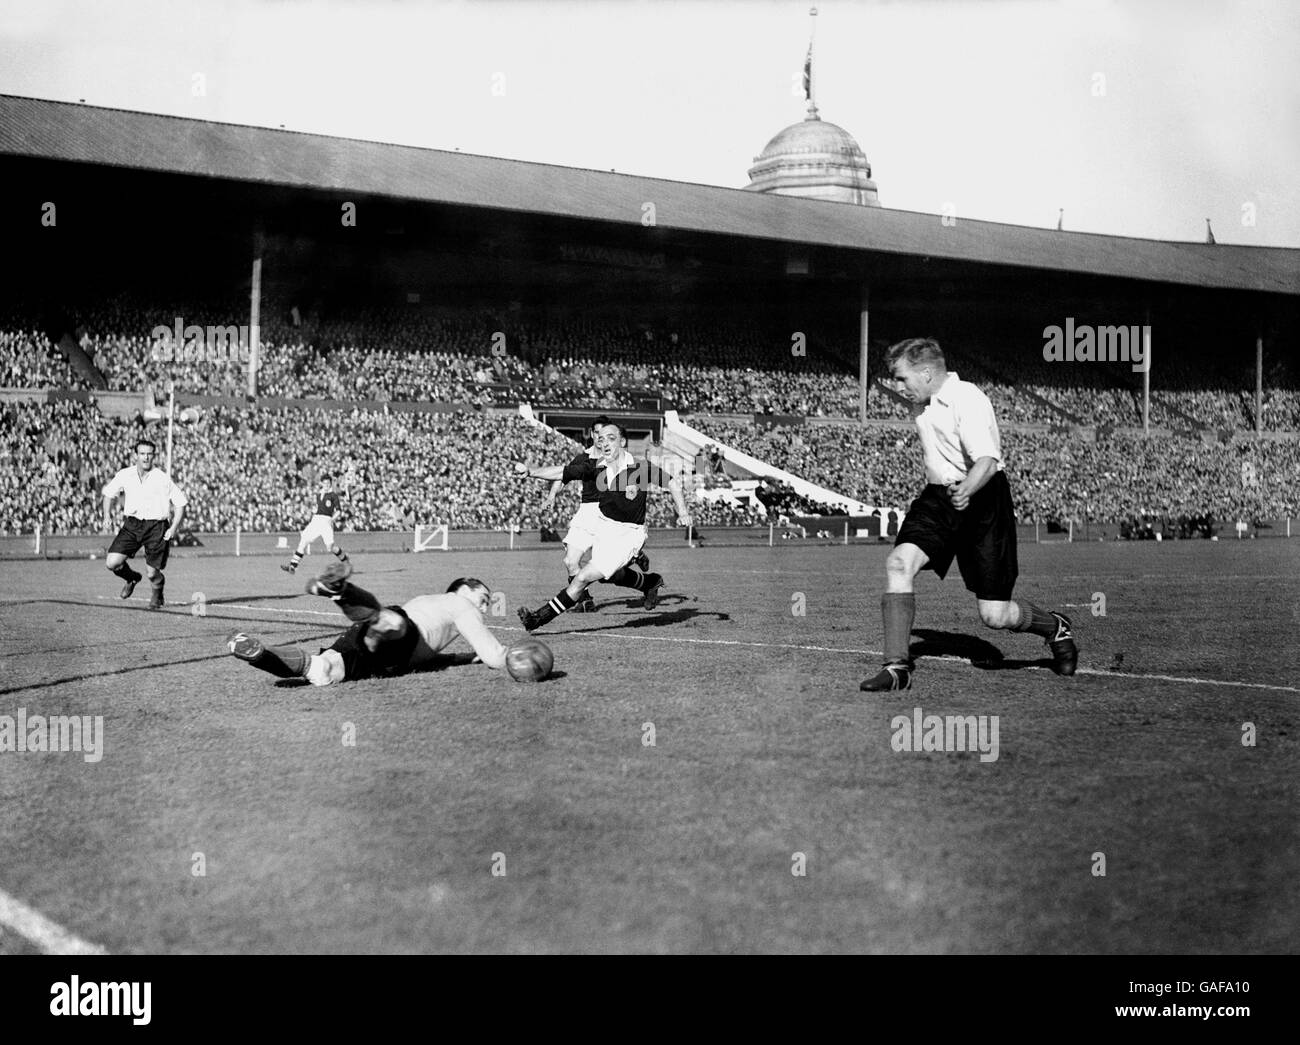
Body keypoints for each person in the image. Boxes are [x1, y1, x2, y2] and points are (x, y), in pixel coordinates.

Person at [860, 338, 1078, 691]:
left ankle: (1054, 627)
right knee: (899, 564)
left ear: (927, 372)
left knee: (995, 615)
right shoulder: (923, 404)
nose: (897, 387)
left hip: (983, 498)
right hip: (939, 499)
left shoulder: (969, 399)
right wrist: (950, 491)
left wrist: (966, 490)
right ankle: (897, 668)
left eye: (902, 379)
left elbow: (988, 461)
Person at [517, 421, 691, 632]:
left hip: (629, 534)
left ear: (623, 442)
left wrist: (682, 512)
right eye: (601, 439)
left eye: (611, 438)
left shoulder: (640, 467)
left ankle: (537, 619)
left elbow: (671, 482)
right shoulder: (597, 468)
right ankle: (649, 582)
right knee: (611, 577)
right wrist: (531, 472)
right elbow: (563, 472)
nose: (604, 442)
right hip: (604, 527)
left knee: (583, 577)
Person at [227, 563, 507, 685]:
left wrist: (461, 658)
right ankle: (341, 592)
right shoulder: (463, 605)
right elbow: (495, 656)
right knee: (392, 624)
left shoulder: (429, 601)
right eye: (485, 597)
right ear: (466, 588)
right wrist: (515, 656)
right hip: (400, 635)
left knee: (321, 670)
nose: (485, 607)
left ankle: (259, 654)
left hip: (376, 640)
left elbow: (426, 654)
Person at [515, 415, 649, 613]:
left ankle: (640, 570)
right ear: (592, 435)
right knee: (570, 561)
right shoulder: (584, 459)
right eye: (597, 433)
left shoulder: (619, 460)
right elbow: (563, 474)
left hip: (611, 517)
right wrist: (551, 496)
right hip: (587, 512)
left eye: (606, 435)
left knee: (607, 574)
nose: (600, 438)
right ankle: (585, 599)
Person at [101, 438, 188, 610]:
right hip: (132, 525)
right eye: (142, 454)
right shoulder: (125, 474)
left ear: (154, 456)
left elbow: (180, 503)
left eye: (149, 454)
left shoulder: (162, 478)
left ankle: (157, 592)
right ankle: (131, 578)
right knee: (112, 562)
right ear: (136, 455)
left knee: (152, 573)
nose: (146, 458)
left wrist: (173, 528)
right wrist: (106, 516)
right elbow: (108, 494)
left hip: (156, 527)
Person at [282, 474, 350, 573]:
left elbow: (339, 511)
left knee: (330, 547)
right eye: (325, 483)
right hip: (316, 520)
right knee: (303, 540)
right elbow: (318, 508)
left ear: (330, 484)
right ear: (322, 483)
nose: (326, 485)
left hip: (326, 521)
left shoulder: (333, 496)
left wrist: (332, 519)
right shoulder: (319, 495)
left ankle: (345, 561)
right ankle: (293, 566)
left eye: (328, 483)